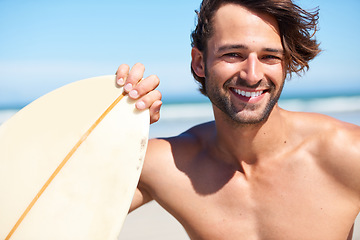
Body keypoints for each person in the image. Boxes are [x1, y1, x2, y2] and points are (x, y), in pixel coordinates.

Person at [116, 0, 360, 239]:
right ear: (199, 62)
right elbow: (80, 209)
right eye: (233, 54)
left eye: (269, 57)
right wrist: (118, 126)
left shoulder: (348, 153)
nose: (252, 75)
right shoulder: (167, 164)